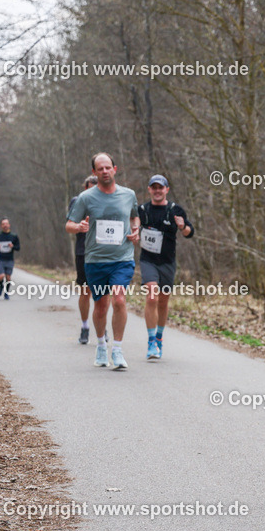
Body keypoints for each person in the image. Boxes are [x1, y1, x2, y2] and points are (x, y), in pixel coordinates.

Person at [65, 153, 139, 370]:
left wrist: (136, 230)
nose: (105, 171)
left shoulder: (128, 195)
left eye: (108, 167)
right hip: (95, 260)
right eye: (100, 169)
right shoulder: (85, 198)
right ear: (94, 172)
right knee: (100, 306)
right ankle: (100, 346)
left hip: (122, 258)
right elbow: (69, 224)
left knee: (119, 300)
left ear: (115, 169)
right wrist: (78, 227)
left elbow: (134, 216)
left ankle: (117, 350)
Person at [137, 174, 194, 360]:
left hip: (168, 262)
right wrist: (134, 233)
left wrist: (182, 226)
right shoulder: (142, 210)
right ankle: (151, 341)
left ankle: (159, 337)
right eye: (154, 187)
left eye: (160, 187)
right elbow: (132, 228)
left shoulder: (175, 210)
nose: (157, 191)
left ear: (166, 190)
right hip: (148, 260)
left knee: (163, 301)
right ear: (149, 190)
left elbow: (189, 233)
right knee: (152, 296)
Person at [68, 175, 98, 344]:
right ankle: (85, 326)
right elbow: (69, 225)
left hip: (103, 253)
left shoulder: (108, 201)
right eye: (89, 188)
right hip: (83, 252)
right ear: (85, 188)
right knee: (85, 292)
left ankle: (101, 325)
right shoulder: (77, 201)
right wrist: (79, 227)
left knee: (102, 293)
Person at [0, 219, 21, 300]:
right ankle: (1, 286)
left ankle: (6, 293)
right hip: (0, 259)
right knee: (1, 276)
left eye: (6, 224)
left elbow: (18, 248)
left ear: (9, 225)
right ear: (1, 226)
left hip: (9, 259)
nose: (5, 225)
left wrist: (13, 246)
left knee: (8, 278)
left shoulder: (14, 236)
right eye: (3, 224)